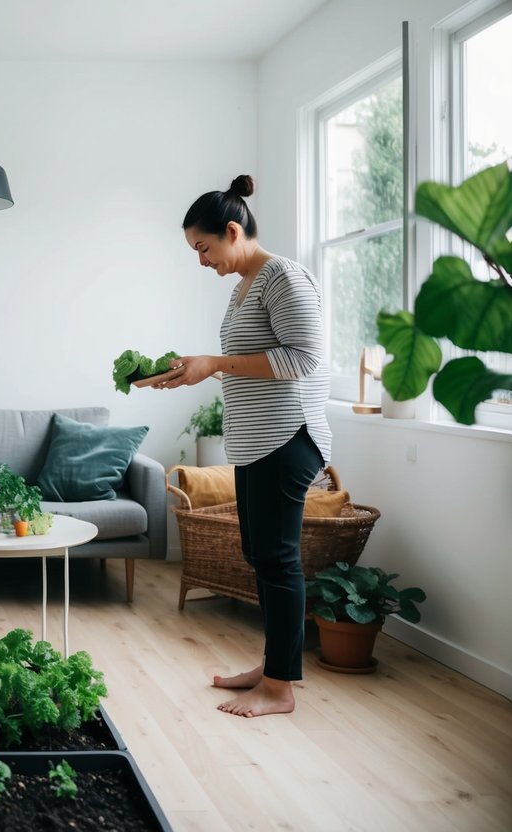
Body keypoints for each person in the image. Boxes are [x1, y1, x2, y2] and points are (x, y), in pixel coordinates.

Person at [154, 174, 331, 718]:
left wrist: (217, 363)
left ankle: (280, 689)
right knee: (260, 554)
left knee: (277, 559)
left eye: (204, 248)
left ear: (233, 231)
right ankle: (273, 665)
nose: (201, 261)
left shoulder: (283, 278)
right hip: (257, 441)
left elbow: (305, 359)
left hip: (289, 435)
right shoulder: (244, 286)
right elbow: (249, 365)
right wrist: (195, 370)